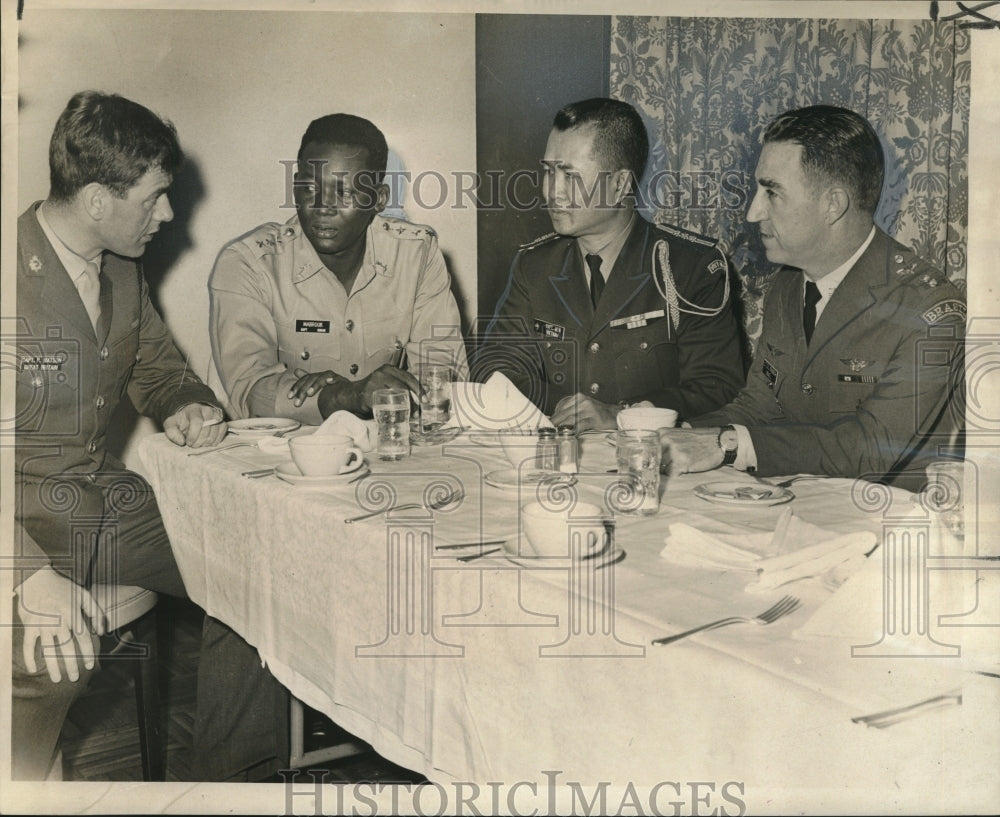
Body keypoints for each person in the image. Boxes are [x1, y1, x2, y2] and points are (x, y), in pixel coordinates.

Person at [11, 91, 287, 780]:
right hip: (19, 518)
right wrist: (28, 575)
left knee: (258, 572)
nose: (167, 214)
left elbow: (158, 369)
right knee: (51, 657)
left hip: (102, 503)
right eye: (154, 197)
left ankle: (230, 782)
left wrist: (187, 404)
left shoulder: (120, 267)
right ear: (97, 201)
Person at [661, 104, 965, 490]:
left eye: (772, 192)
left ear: (832, 205)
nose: (753, 212)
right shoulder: (789, 283)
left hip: (889, 515)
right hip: (802, 501)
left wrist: (729, 445)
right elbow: (759, 406)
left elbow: (871, 451)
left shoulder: (928, 311)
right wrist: (676, 434)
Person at [475, 97, 745, 431]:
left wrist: (622, 415)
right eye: (548, 171)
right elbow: (494, 368)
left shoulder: (690, 267)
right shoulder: (535, 267)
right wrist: (567, 409)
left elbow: (718, 387)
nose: (551, 191)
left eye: (570, 176)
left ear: (620, 185)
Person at [210, 113, 468, 423]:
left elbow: (442, 375)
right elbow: (250, 390)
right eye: (309, 188)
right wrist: (344, 396)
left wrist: (396, 396)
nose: (322, 206)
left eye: (344, 192)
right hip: (284, 447)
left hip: (386, 441)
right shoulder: (249, 264)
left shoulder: (417, 255)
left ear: (378, 199)